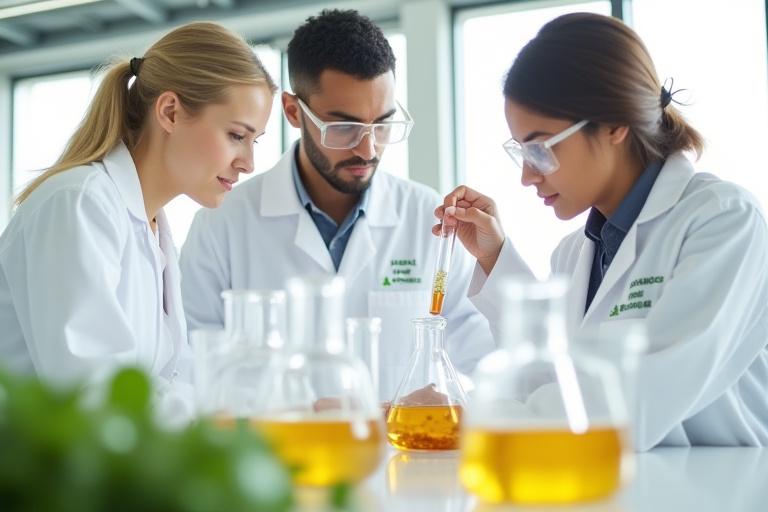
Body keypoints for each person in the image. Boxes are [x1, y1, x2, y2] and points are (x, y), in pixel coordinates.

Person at [436, 13, 768, 450]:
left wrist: (465, 418)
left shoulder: (722, 221)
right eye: (520, 151)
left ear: (614, 124)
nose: (527, 176)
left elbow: (636, 398)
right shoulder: (574, 254)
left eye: (540, 148)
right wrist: (496, 258)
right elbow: (549, 385)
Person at [180, 9, 493, 400]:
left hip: (404, 460)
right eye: (344, 127)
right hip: (277, 458)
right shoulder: (222, 224)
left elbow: (491, 358)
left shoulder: (426, 219)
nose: (369, 147)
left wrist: (497, 261)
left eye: (382, 124)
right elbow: (191, 371)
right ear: (294, 111)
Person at [0, 22, 276, 397]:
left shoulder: (153, 227)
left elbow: (174, 376)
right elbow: (93, 394)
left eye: (255, 140)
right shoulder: (79, 204)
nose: (248, 162)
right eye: (236, 136)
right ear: (170, 112)